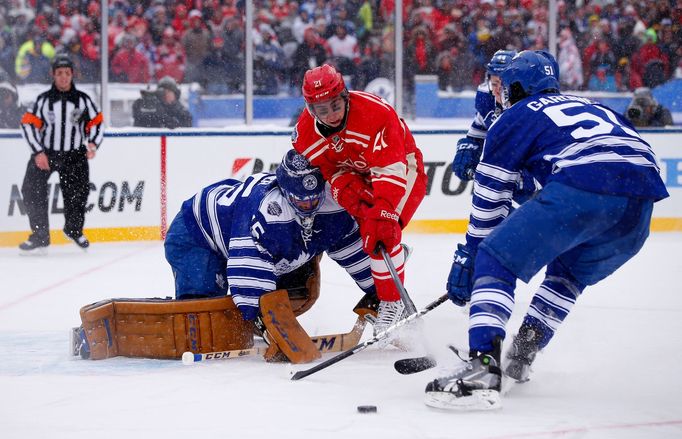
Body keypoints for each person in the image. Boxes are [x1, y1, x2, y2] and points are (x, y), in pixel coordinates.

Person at [425, 50, 669, 411]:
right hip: (640, 207)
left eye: (505, 87)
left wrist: (471, 257)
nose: (500, 95)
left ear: (519, 87)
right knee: (567, 276)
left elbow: (489, 205)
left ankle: (483, 369)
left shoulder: (516, 115)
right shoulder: (594, 105)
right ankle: (521, 356)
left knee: (495, 256)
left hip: (585, 187)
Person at [291, 64, 428, 337]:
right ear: (310, 109)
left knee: (381, 230)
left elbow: (390, 169)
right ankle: (394, 259)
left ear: (344, 95)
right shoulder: (304, 134)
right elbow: (330, 170)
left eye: (335, 105)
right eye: (321, 110)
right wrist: (349, 193)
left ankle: (391, 303)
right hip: (357, 174)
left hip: (402, 168)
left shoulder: (376, 113)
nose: (330, 115)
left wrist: (383, 214)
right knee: (371, 233)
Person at [164, 149, 376, 324]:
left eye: (314, 200)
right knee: (203, 315)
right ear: (284, 192)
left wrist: (379, 289)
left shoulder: (334, 202)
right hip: (196, 234)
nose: (308, 207)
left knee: (298, 287)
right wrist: (259, 317)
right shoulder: (267, 213)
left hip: (234, 231)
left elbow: (349, 246)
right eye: (301, 201)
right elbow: (247, 265)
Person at [18, 54, 103, 254]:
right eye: (59, 73)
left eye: (67, 73)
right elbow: (28, 124)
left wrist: (93, 144)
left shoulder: (83, 100)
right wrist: (38, 152)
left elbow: (97, 122)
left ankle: (73, 230)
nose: (63, 77)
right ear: (53, 75)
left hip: (75, 155)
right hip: (46, 154)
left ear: (72, 74)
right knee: (31, 190)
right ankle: (40, 236)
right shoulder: (43, 101)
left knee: (78, 193)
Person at [451, 50, 516, 182]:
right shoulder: (487, 104)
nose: (498, 90)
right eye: (494, 84)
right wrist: (466, 157)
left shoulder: (530, 106)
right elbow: (475, 138)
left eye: (503, 84)